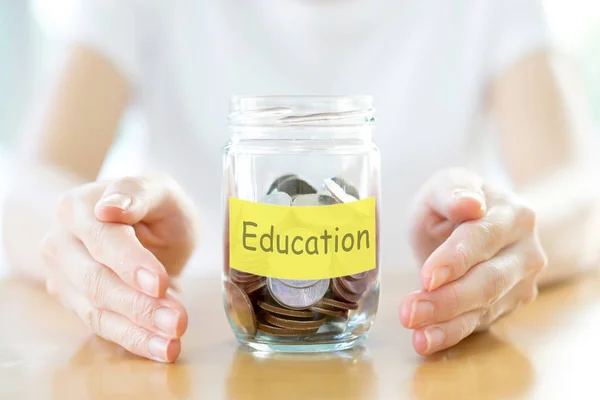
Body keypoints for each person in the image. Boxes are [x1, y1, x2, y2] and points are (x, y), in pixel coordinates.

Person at [2, 0, 599, 364]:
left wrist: (497, 231)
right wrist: (96, 230)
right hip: (206, 349)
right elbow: (24, 188)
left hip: (406, 354)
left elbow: (579, 189)